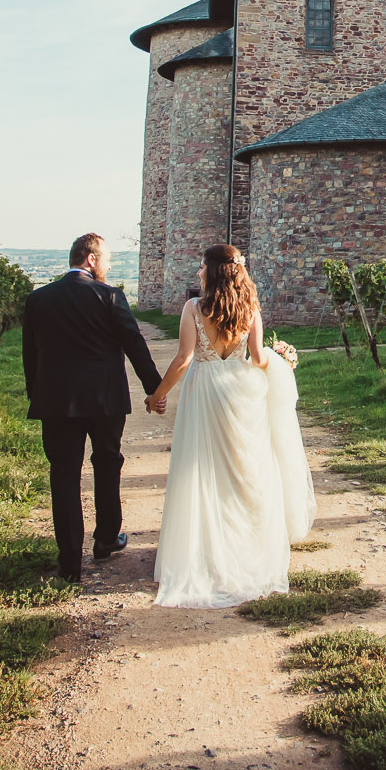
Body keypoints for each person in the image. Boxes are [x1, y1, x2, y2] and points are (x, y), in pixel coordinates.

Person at [145, 243, 315, 607]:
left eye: (201, 266)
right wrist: (279, 359)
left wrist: (157, 394)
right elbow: (256, 357)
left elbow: (184, 358)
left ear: (214, 270)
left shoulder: (194, 308)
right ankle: (246, 547)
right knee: (245, 469)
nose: (197, 272)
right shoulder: (251, 308)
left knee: (201, 469)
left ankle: (201, 553)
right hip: (241, 391)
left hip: (204, 391)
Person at [23, 232, 163, 581]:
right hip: (105, 400)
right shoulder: (110, 296)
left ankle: (70, 562)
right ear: (90, 259)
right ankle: (104, 541)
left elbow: (31, 356)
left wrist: (36, 395)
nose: (110, 265)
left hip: (57, 403)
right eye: (107, 258)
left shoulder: (39, 299)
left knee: (64, 476)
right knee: (107, 464)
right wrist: (154, 389)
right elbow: (135, 343)